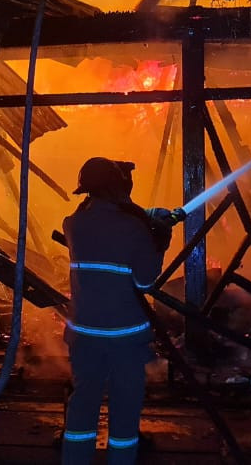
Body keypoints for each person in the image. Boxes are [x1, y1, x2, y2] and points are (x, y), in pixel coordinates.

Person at [60, 157, 173, 465]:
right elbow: (146, 281)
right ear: (119, 187)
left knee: (82, 406)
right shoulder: (133, 228)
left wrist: (143, 216)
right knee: (124, 411)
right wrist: (159, 240)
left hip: (84, 335)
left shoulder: (74, 224)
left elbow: (98, 219)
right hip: (125, 338)